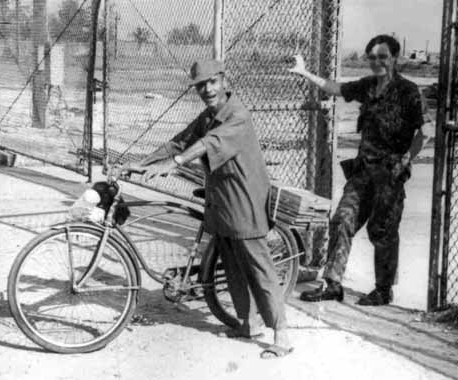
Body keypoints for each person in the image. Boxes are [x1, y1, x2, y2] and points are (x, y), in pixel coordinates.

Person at [122, 59, 293, 358]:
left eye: (212, 82)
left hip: (244, 198)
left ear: (224, 81)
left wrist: (173, 165)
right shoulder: (207, 116)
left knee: (258, 267)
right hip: (221, 198)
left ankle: (282, 334)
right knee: (231, 262)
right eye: (201, 85)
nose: (207, 89)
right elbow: (179, 143)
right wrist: (143, 163)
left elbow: (208, 144)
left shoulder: (237, 114)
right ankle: (248, 324)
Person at [289, 35, 431, 306]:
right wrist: (304, 71)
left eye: (383, 56)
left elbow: (425, 132)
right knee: (342, 219)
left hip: (389, 174)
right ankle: (332, 284)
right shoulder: (367, 86)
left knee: (382, 231)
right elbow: (336, 88)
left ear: (395, 58)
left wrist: (406, 159)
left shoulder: (409, 91)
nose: (377, 62)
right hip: (362, 172)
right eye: (372, 57)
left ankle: (383, 289)